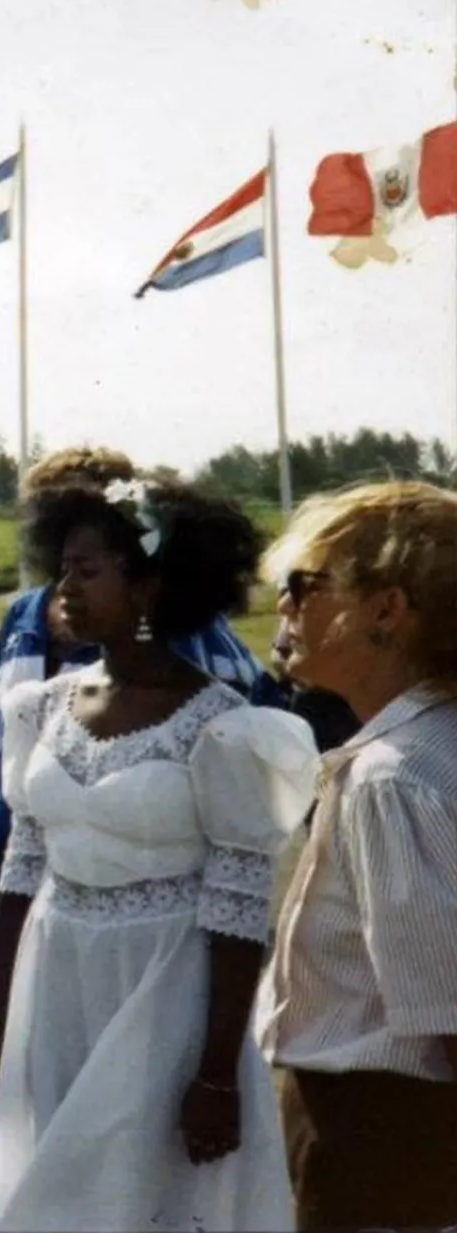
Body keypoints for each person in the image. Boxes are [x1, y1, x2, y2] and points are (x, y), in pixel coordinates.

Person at [0, 476, 316, 1231]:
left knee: (142, 1195)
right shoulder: (40, 708)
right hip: (56, 979)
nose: (63, 587)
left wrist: (218, 1072)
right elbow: (18, 873)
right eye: (61, 567)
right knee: (58, 1196)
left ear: (150, 586)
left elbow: (238, 905)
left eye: (87, 570)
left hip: (167, 993)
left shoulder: (223, 726)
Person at [0, 447, 277, 1009]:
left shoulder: (193, 637)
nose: (67, 579)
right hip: (20, 858)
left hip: (138, 899)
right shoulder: (24, 617)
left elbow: (241, 779)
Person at [256, 481, 457, 1230]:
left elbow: (447, 1010)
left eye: (305, 584)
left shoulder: (390, 775)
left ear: (387, 609)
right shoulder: (431, 745)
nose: (284, 604)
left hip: (378, 1129)